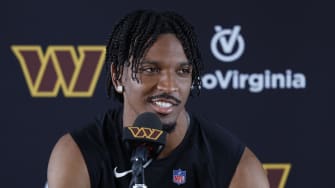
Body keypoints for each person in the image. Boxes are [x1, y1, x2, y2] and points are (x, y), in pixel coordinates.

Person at [47, 9, 269, 188]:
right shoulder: (78, 154)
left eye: (182, 72)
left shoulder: (236, 167)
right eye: (150, 69)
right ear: (117, 76)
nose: (169, 86)